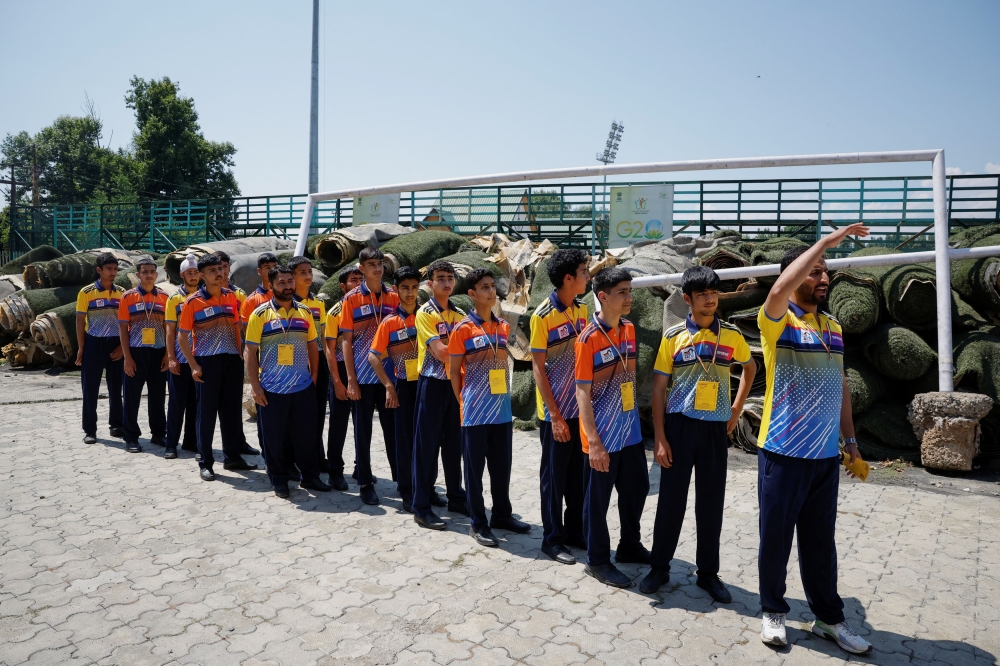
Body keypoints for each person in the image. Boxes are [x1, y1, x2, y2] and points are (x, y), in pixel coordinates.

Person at [756, 223, 872, 655]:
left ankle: (829, 618)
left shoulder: (834, 327)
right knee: (776, 536)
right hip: (783, 451)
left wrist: (851, 442)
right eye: (815, 272)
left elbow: (840, 384)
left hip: (824, 455)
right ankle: (773, 612)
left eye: (826, 273)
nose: (824, 279)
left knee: (821, 542)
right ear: (794, 275)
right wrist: (823, 242)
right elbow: (776, 291)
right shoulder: (777, 321)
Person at [639, 266, 756, 601]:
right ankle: (659, 567)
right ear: (687, 299)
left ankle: (708, 574)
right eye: (702, 295)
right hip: (679, 426)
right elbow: (660, 389)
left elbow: (750, 368)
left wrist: (735, 410)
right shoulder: (673, 337)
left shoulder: (731, 335)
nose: (710, 300)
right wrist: (660, 437)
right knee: (671, 501)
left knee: (711, 502)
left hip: (715, 429)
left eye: (714, 293)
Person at [575, 267, 649, 588]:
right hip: (602, 434)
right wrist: (593, 441)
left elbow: (628, 377)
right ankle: (597, 560)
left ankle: (629, 545)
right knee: (598, 500)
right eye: (622, 292)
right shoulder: (588, 339)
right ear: (603, 296)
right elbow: (582, 392)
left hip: (629, 429)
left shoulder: (630, 329)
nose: (629, 297)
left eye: (630, 291)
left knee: (638, 487)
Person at [448, 269, 530, 547]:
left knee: (501, 466)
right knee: (474, 470)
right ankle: (478, 523)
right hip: (474, 412)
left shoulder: (502, 326)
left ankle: (502, 515)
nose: (491, 292)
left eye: (493, 286)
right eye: (484, 287)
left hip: (502, 410)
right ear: (472, 294)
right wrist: (464, 402)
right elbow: (454, 371)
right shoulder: (462, 329)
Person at [244, 265, 332, 498]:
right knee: (274, 438)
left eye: (289, 281)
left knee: (306, 435)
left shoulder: (304, 312)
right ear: (271, 286)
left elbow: (313, 345)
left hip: (302, 387)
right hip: (272, 388)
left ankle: (310, 477)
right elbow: (250, 353)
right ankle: (279, 480)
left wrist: (313, 376)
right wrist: (256, 387)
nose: (287, 286)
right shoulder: (260, 315)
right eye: (281, 282)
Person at [530, 249, 590, 565]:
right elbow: (538, 368)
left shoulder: (582, 311)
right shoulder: (542, 317)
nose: (587, 275)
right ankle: (552, 539)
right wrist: (554, 415)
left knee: (576, 477)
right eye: (583, 270)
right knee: (553, 479)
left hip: (579, 411)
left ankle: (574, 530)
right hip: (556, 413)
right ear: (568, 278)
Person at [178, 253, 258, 481]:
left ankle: (233, 457)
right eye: (212, 270)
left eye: (220, 269)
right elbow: (183, 337)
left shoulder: (232, 297)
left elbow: (237, 326)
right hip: (206, 362)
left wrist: (240, 352)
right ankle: (206, 462)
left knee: (232, 412)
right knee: (207, 414)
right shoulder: (192, 302)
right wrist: (193, 365)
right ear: (202, 275)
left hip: (231, 360)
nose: (218, 273)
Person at [340, 247, 400, 505]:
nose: (377, 268)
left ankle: (403, 481)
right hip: (363, 378)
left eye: (380, 263)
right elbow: (346, 342)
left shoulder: (395, 297)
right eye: (372, 264)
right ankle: (365, 482)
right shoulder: (351, 299)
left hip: (390, 378)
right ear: (361, 269)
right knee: (362, 432)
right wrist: (350, 379)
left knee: (394, 431)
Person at [411, 260, 467, 529]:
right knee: (426, 446)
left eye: (450, 278)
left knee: (454, 444)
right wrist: (463, 349)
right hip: (432, 384)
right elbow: (442, 352)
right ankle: (421, 506)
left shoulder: (459, 314)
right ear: (430, 284)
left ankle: (456, 496)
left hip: (454, 384)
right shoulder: (425, 313)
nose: (446, 282)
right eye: (440, 278)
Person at [367, 267, 421, 512]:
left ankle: (425, 487)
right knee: (404, 439)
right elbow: (373, 357)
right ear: (396, 290)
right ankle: (407, 490)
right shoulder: (389, 322)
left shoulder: (427, 318)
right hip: (402, 385)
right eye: (405, 288)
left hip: (427, 384)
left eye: (414, 287)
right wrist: (388, 386)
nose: (410, 293)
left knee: (427, 438)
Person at [117, 256, 170, 453]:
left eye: (152, 271)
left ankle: (158, 433)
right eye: (144, 272)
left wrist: (167, 355)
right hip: (136, 353)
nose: (149, 275)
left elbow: (168, 329)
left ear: (157, 274)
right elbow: (123, 329)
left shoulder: (164, 297)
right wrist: (127, 357)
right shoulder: (128, 297)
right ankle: (131, 437)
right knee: (132, 397)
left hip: (158, 352)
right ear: (138, 275)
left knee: (158, 396)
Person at [212, 249, 259, 458]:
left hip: (234, 355)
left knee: (233, 402)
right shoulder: (200, 296)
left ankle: (238, 442)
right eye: (216, 267)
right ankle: (199, 444)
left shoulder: (238, 294)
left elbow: (244, 325)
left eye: (224, 266)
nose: (221, 271)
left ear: (229, 268)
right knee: (207, 405)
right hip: (209, 357)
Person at [76, 252, 125, 444]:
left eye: (115, 269)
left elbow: (126, 322)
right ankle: (90, 430)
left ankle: (117, 425)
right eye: (109, 269)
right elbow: (79, 321)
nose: (113, 272)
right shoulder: (86, 292)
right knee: (90, 389)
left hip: (115, 343)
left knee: (116, 387)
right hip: (94, 343)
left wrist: (122, 346)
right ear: (99, 270)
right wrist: (81, 347)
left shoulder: (122, 292)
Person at [288, 255, 330, 472]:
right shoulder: (287, 303)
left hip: (318, 361)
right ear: (292, 277)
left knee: (317, 412)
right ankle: (293, 459)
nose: (307, 275)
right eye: (302, 272)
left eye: (309, 271)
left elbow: (323, 336)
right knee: (296, 415)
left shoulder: (318, 303)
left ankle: (317, 456)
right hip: (294, 363)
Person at [323, 264, 363, 491]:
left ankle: (361, 467)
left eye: (360, 279)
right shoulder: (334, 313)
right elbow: (329, 350)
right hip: (340, 368)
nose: (358, 284)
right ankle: (335, 471)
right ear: (342, 286)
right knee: (339, 424)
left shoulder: (367, 307)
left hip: (363, 369)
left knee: (361, 423)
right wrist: (337, 382)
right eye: (353, 280)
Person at [165, 254, 201, 458]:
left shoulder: (204, 297)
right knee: (176, 402)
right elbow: (170, 330)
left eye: (196, 272)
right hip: (179, 357)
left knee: (195, 402)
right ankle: (171, 444)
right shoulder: (174, 299)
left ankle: (191, 441)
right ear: (182, 275)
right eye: (190, 273)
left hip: (197, 357)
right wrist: (171, 357)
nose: (193, 276)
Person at [240, 252, 279, 323]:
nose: (272, 271)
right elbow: (248, 331)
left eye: (275, 267)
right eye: (267, 268)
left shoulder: (286, 294)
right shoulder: (251, 301)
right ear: (259, 271)